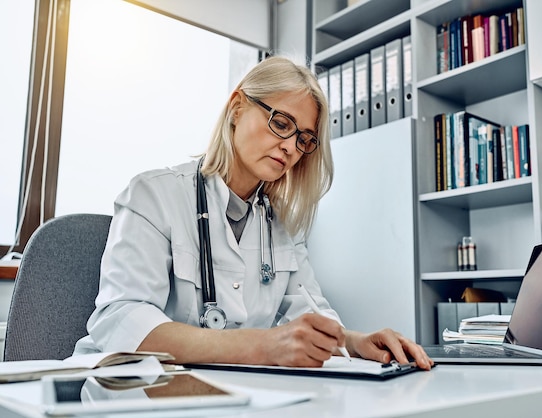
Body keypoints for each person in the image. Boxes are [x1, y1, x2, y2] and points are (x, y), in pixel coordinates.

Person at [74, 56, 434, 370]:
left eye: (304, 139)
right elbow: (122, 322)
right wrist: (265, 346)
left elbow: (309, 315)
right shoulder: (155, 195)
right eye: (281, 123)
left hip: (233, 395)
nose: (291, 147)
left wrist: (355, 342)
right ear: (236, 109)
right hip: (125, 394)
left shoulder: (281, 224)